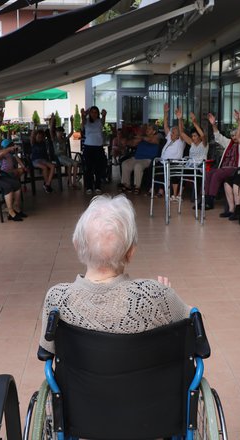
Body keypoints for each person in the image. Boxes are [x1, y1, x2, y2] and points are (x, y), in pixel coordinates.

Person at [39, 194, 191, 354]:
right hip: (145, 379)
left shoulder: (57, 298)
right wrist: (164, 299)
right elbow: (193, 326)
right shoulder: (155, 294)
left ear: (76, 245)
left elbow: (47, 349)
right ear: (131, 252)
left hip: (78, 379)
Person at [203, 112, 240, 210]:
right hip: (224, 168)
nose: (234, 137)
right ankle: (205, 198)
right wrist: (213, 124)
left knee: (216, 174)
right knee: (209, 173)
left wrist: (239, 121)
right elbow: (218, 137)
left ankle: (210, 201)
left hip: (235, 168)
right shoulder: (228, 142)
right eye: (232, 135)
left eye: (236, 135)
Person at [120, 125, 161, 194]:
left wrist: (141, 137)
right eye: (147, 128)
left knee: (138, 166)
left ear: (154, 131)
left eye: (149, 128)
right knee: (125, 163)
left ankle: (137, 187)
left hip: (147, 159)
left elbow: (151, 140)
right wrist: (126, 142)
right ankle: (126, 185)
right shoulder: (142, 137)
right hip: (136, 158)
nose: (147, 130)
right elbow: (132, 143)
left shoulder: (157, 136)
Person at [81, 106, 107, 195]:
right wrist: (83, 114)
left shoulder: (100, 121)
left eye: (96, 112)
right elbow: (83, 122)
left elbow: (103, 121)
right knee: (88, 168)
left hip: (98, 148)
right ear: (90, 113)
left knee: (98, 168)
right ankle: (89, 187)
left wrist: (104, 115)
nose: (94, 114)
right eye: (92, 112)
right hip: (88, 148)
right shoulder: (86, 121)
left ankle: (97, 186)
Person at [49, 115, 80, 189]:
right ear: (56, 133)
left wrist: (71, 122)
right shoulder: (54, 139)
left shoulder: (64, 139)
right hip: (58, 157)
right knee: (69, 164)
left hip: (65, 156)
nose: (60, 134)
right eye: (58, 132)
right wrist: (52, 120)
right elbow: (50, 130)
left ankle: (74, 183)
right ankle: (70, 182)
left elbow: (72, 132)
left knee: (75, 163)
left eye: (61, 132)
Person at [30, 128, 56, 193]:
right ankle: (47, 185)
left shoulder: (43, 143)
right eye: (38, 136)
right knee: (44, 167)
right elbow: (32, 136)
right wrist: (34, 127)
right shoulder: (33, 143)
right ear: (35, 136)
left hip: (44, 160)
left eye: (41, 137)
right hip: (35, 160)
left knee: (52, 166)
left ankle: (47, 184)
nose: (39, 138)